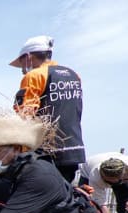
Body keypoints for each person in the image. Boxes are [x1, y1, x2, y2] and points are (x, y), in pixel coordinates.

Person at [10, 35, 85, 183]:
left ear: (29, 57)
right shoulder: (73, 74)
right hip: (73, 148)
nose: (22, 69)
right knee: (63, 194)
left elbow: (26, 114)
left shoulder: (34, 76)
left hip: (46, 151)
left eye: (22, 62)